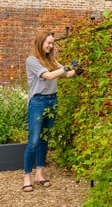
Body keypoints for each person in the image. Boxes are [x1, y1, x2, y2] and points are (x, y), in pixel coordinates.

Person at [22, 30, 83, 192]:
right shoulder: (32, 60)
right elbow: (48, 76)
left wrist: (76, 71)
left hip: (52, 100)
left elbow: (65, 74)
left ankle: (39, 174)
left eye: (52, 43)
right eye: (48, 42)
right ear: (40, 42)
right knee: (34, 140)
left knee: (44, 139)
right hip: (38, 102)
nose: (51, 45)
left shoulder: (52, 60)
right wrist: (67, 68)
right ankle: (27, 176)